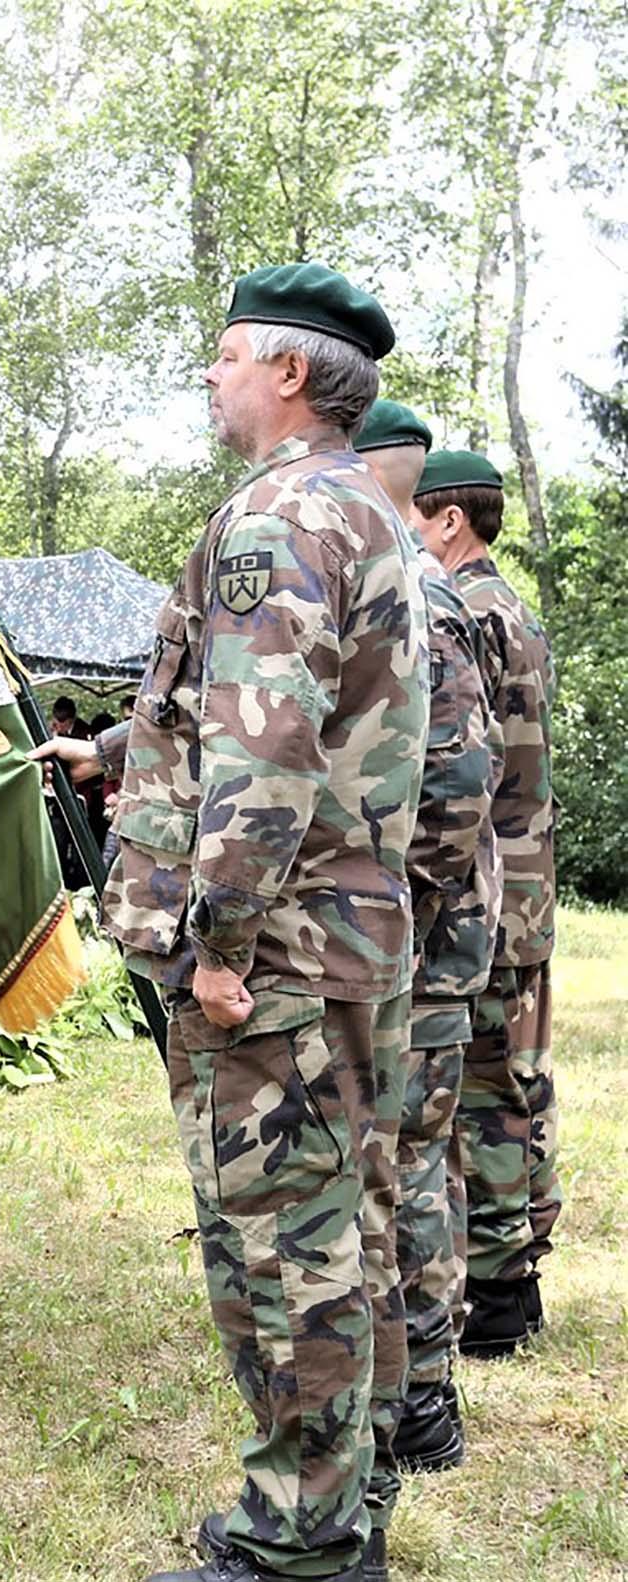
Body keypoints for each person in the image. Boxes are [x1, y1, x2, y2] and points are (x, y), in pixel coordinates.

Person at [35, 264, 427, 1582]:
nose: (208, 378)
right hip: (339, 945)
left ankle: (299, 1538)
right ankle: (347, 1504)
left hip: (275, 962)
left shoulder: (281, 516)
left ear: (289, 374)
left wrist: (217, 942)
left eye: (223, 358)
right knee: (338, 1227)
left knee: (280, 1245)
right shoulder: (358, 512)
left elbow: (265, 758)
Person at [355, 404, 501, 1473]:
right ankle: (404, 1386)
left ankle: (421, 1403)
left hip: (422, 947)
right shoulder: (384, 573)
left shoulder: (417, 589)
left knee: (406, 1168)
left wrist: (394, 912)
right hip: (405, 941)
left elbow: (454, 782)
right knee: (403, 1164)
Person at [409, 451, 559, 1358]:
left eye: (418, 521)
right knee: (518, 1081)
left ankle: (499, 1293)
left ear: (450, 522)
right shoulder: (519, 612)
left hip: (489, 896)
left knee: (483, 1093)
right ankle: (521, 1269)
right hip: (529, 889)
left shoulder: (464, 611)